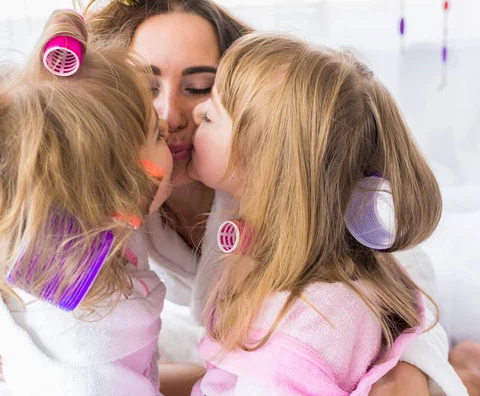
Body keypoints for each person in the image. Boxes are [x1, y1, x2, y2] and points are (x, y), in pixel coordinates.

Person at [0, 0, 480, 394]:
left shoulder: (289, 187)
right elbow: (17, 238)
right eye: (146, 87)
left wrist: (415, 367)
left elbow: (392, 291)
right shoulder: (123, 193)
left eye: (199, 88)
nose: (171, 117)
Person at [188, 32, 468, 395]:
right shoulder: (301, 268)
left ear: (264, 167)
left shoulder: (306, 328)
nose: (194, 113)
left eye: (210, 114)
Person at [0, 9, 173, 394]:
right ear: (118, 190)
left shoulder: (89, 227)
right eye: (158, 135)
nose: (171, 129)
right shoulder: (85, 376)